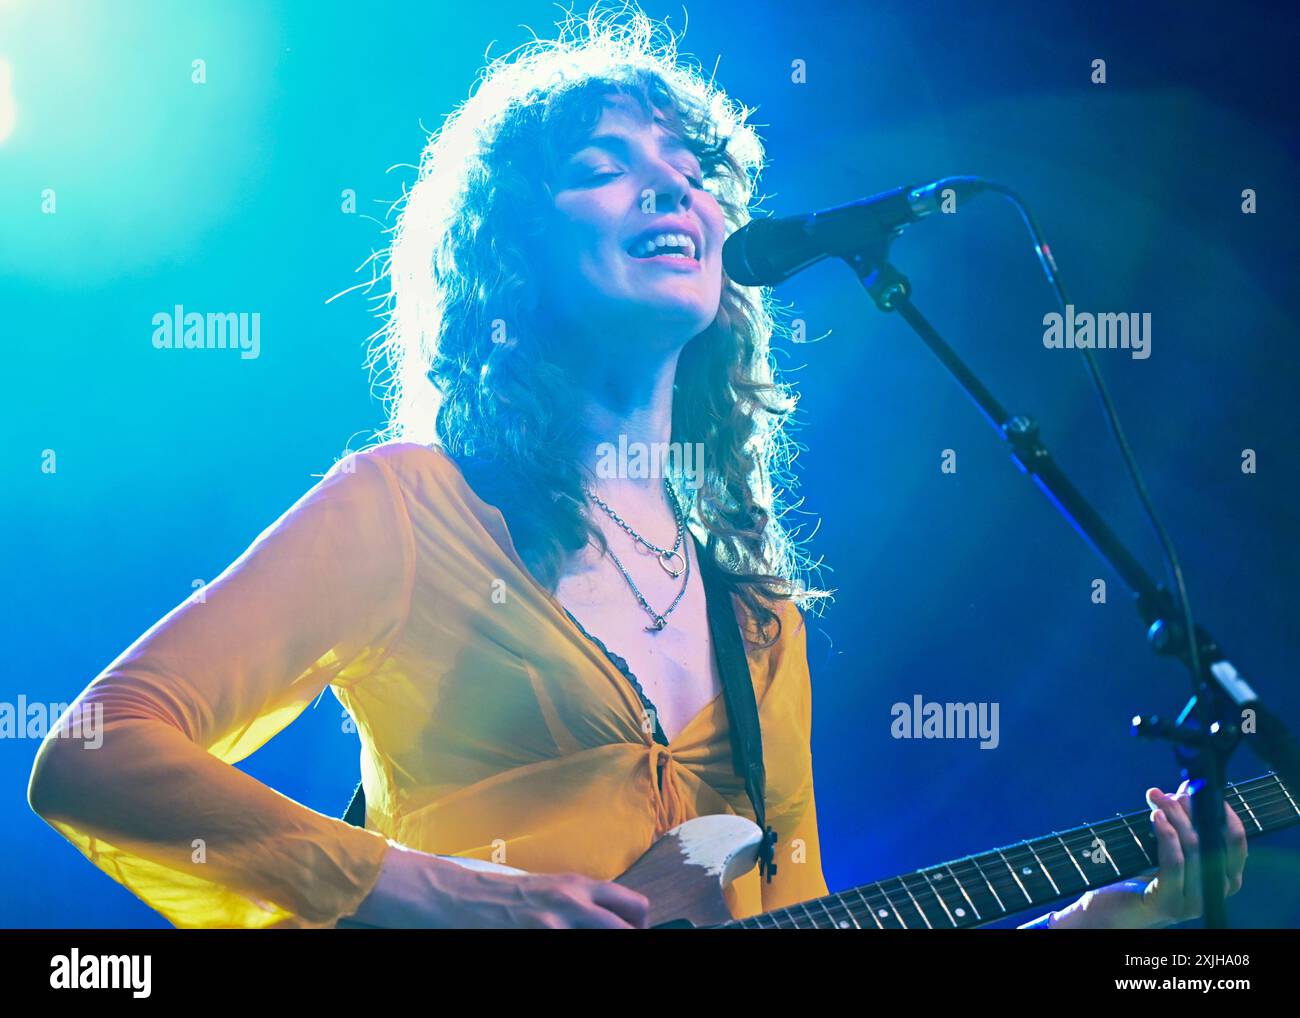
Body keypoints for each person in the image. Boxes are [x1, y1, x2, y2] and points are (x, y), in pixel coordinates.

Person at [27, 5, 1246, 929]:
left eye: (693, 168)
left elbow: (797, 904)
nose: (674, 183)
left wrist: (1092, 925)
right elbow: (91, 750)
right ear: (508, 253)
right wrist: (455, 896)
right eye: (604, 164)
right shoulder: (407, 508)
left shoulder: (757, 608)